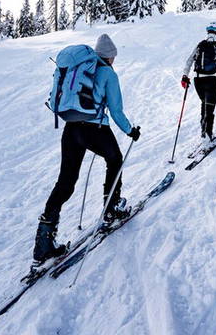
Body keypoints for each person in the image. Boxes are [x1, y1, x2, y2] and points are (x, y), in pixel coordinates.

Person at [33, 33, 141, 265]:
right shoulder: (108, 73)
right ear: (110, 56)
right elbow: (116, 110)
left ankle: (43, 241)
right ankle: (111, 208)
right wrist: (130, 131)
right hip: (95, 130)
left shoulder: (80, 68)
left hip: (71, 130)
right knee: (115, 160)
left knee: (66, 182)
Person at [180, 22, 216, 138]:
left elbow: (189, 60)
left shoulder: (200, 45)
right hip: (212, 81)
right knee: (209, 108)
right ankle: (207, 133)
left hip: (198, 81)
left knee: (204, 104)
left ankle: (204, 131)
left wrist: (185, 76)